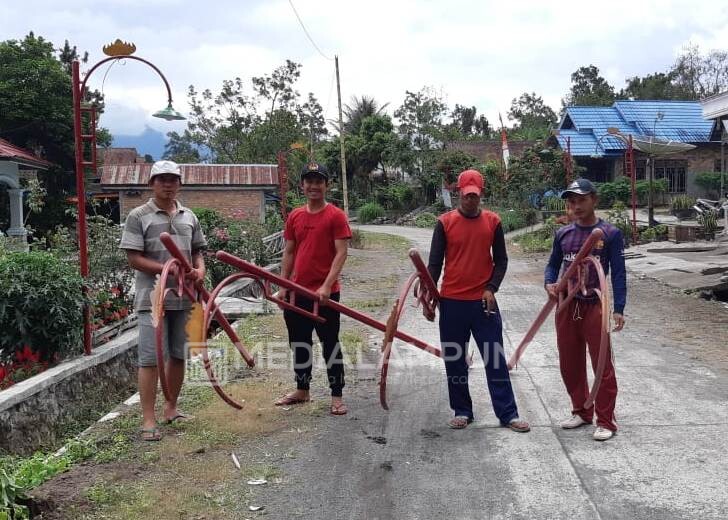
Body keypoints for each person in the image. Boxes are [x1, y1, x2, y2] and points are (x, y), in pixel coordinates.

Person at [427, 169, 530, 432]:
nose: (470, 200)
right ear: (459, 192)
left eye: (474, 196)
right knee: (455, 360)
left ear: (481, 193)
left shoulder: (493, 222)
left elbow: (502, 260)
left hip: (483, 304)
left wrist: (491, 288)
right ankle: (462, 410)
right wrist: (429, 295)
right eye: (466, 195)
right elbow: (435, 264)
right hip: (451, 303)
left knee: (494, 359)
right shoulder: (445, 223)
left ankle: (508, 414)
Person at [120, 160, 207, 441]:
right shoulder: (139, 215)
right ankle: (148, 420)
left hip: (184, 297)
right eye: (162, 179)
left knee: (178, 354)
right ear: (151, 183)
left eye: (173, 179)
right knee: (150, 358)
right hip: (153, 298)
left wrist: (199, 270)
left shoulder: (188, 216)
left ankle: (171, 408)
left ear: (179, 183)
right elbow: (134, 258)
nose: (168, 184)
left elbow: (197, 253)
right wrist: (168, 268)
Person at [544, 178, 626, 442]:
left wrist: (619, 308)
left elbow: (620, 274)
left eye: (581, 200)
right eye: (571, 201)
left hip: (594, 305)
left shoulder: (609, 234)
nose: (576, 206)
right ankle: (581, 410)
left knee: (602, 364)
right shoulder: (563, 234)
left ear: (594, 200)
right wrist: (549, 283)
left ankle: (606, 420)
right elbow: (552, 264)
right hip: (567, 305)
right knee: (570, 363)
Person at [274, 162, 352, 415]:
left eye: (319, 181)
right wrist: (283, 286)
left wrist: (327, 286)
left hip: (325, 294)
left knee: (330, 343)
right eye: (309, 181)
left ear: (326, 185)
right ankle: (302, 389)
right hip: (297, 292)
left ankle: (337, 395)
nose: (313, 186)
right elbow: (289, 251)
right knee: (299, 343)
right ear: (302, 185)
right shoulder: (295, 216)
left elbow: (341, 253)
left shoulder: (336, 216)